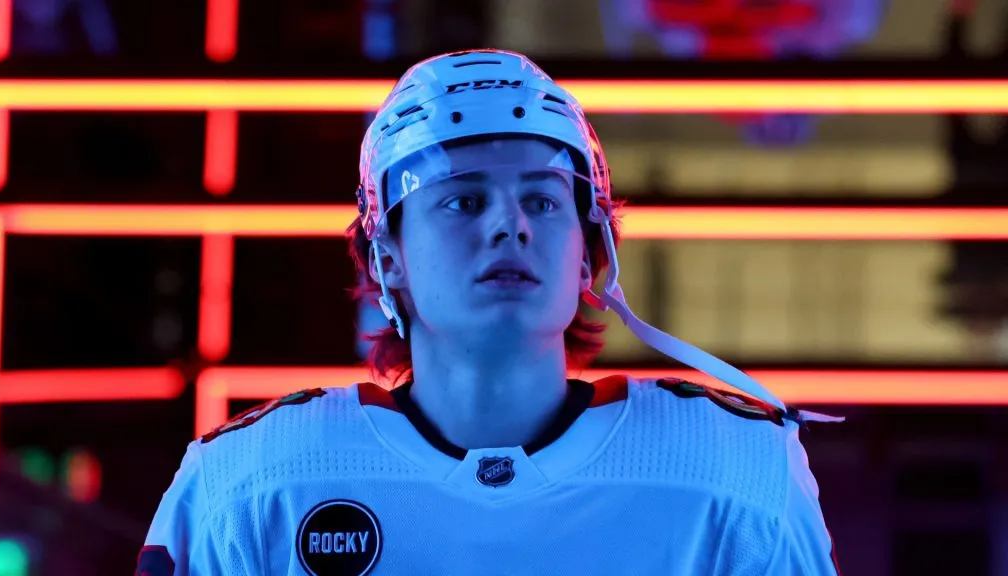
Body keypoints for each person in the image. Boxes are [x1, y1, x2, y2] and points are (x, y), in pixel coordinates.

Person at [137, 49, 841, 576]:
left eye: (542, 199)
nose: (511, 226)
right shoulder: (253, 480)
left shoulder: (733, 469)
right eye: (464, 199)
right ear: (387, 259)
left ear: (589, 251)